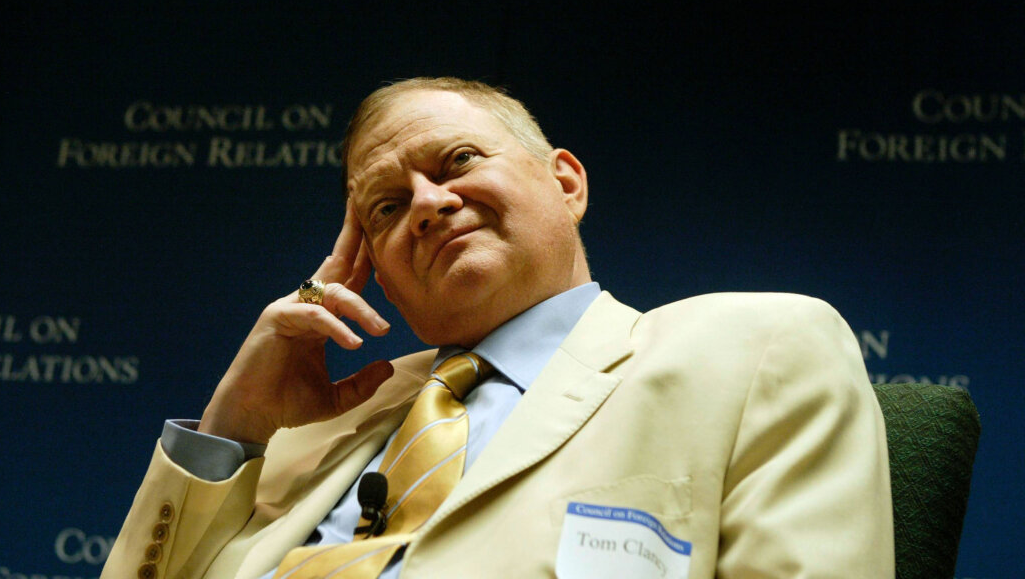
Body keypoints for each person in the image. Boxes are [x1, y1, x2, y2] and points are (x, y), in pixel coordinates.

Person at [102, 77, 894, 579]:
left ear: (566, 181)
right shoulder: (319, 429)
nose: (427, 202)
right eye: (386, 205)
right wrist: (233, 429)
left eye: (456, 163)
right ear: (366, 261)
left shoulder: (753, 349)